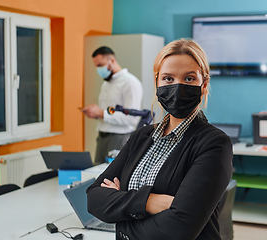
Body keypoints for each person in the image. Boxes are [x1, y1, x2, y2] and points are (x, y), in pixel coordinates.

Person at [86, 39, 233, 240]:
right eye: (168, 78)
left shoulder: (215, 144)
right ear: (157, 82)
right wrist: (150, 202)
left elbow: (179, 229)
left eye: (189, 78)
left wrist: (122, 222)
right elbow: (94, 198)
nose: (177, 86)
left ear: (204, 84)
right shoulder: (141, 137)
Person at [81, 46, 143, 164]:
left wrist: (101, 113)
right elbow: (108, 113)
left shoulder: (130, 83)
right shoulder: (106, 84)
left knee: (114, 177)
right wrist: (96, 114)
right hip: (102, 138)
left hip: (119, 138)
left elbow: (132, 119)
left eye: (100, 65)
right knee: (98, 176)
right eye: (96, 66)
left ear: (112, 61)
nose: (98, 69)